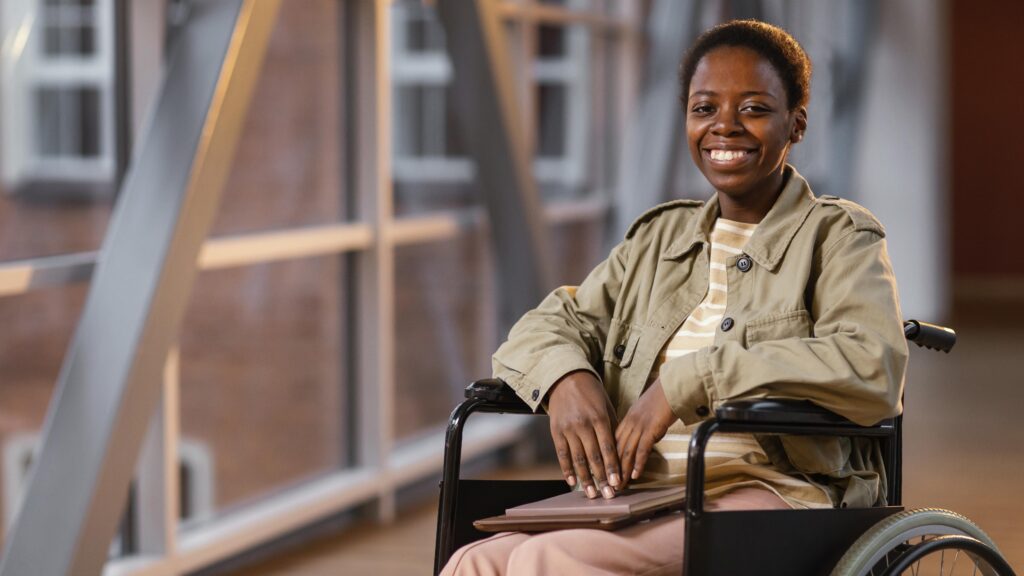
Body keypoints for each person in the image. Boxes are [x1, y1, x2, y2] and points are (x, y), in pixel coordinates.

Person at [441, 19, 908, 575]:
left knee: (546, 560)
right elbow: (551, 322)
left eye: (754, 108)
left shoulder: (837, 236)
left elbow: (869, 364)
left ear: (796, 124)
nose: (725, 127)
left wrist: (685, 384)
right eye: (705, 108)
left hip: (772, 492)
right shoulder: (657, 239)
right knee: (477, 563)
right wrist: (565, 379)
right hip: (643, 493)